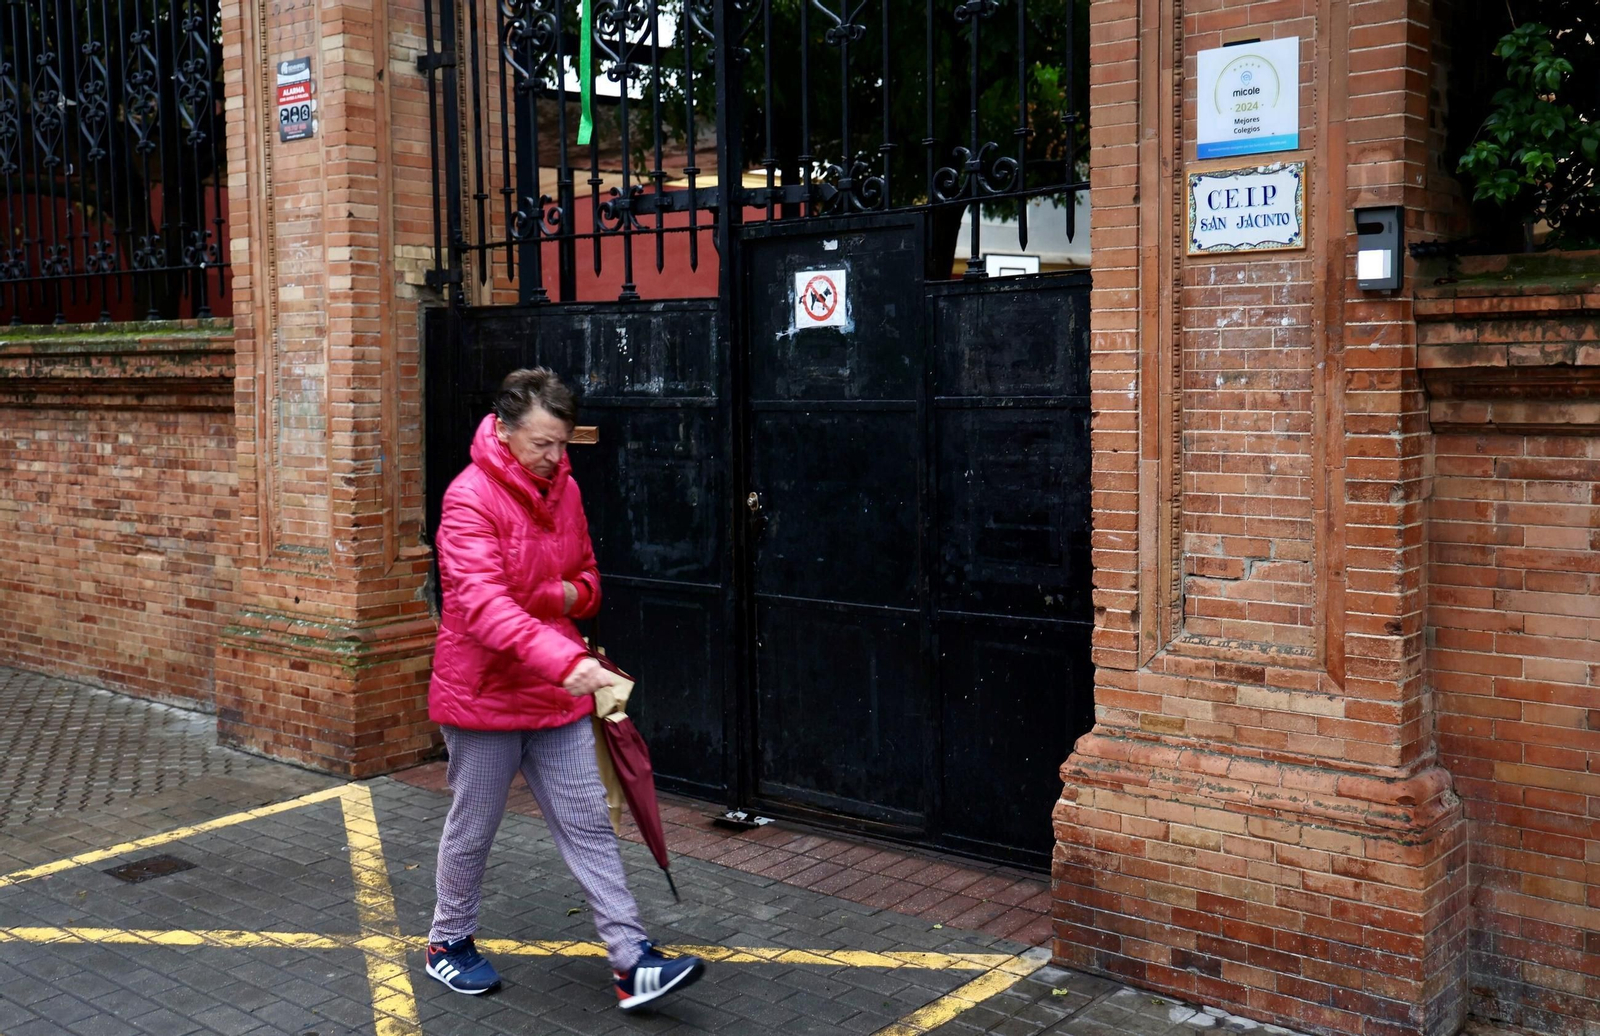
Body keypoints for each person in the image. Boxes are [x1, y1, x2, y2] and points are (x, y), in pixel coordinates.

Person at [425, 367, 705, 1011]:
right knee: (473, 828)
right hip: (486, 694)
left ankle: (631, 960)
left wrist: (549, 597)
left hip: (554, 688)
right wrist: (560, 648)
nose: (556, 458)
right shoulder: (468, 498)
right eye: (543, 444)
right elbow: (481, 607)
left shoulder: (566, 491)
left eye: (563, 444)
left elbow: (587, 582)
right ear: (503, 430)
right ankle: (447, 942)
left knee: (588, 826)